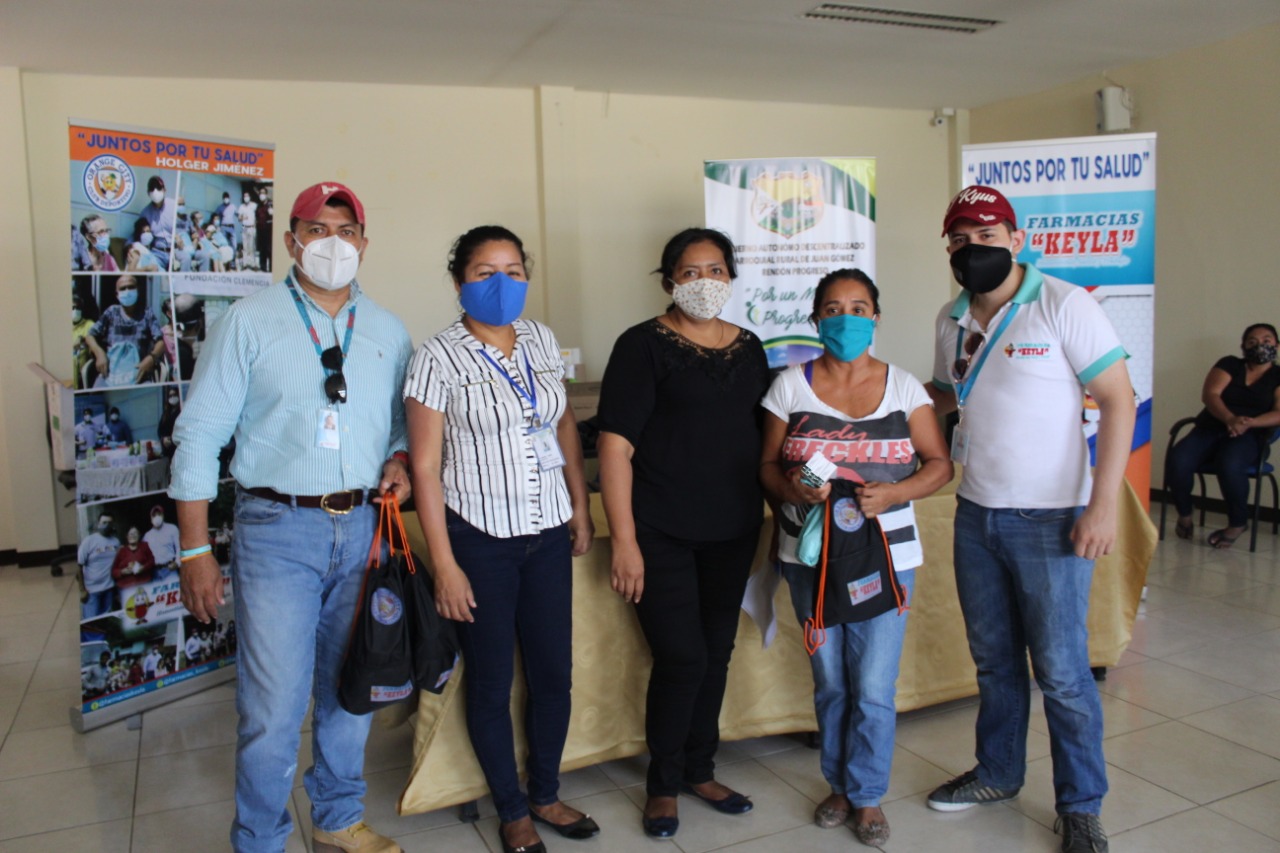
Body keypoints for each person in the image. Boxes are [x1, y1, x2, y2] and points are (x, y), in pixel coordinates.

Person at [170, 181, 413, 853]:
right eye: (317, 229)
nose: (333, 243)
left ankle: (337, 816)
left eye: (346, 231)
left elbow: (399, 427)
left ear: (364, 243)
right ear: (291, 241)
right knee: (272, 706)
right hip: (277, 530)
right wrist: (194, 550)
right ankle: (260, 839)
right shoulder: (248, 322)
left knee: (350, 686)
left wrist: (398, 459)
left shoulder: (389, 330)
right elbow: (199, 436)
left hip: (363, 527)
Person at [923, 186, 1134, 853]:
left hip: (1053, 519)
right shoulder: (951, 317)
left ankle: (1081, 805)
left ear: (1016, 240)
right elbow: (942, 395)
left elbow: (1119, 399)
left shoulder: (1064, 304)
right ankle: (998, 773)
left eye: (987, 235)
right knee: (993, 661)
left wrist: (1102, 504)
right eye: (960, 239)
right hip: (976, 514)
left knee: (1063, 671)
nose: (973, 248)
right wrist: (868, 408)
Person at [404, 225, 596, 853]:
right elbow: (425, 468)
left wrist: (579, 505)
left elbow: (562, 425)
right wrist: (446, 565)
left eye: (513, 271)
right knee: (491, 681)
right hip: (479, 537)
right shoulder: (436, 357)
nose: (502, 284)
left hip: (548, 531)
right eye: (485, 273)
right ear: (459, 281)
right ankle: (511, 810)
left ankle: (545, 792)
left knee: (553, 674)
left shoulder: (540, 338)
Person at [759, 269, 953, 847]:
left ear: (876, 317)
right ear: (816, 319)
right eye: (833, 309)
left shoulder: (905, 389)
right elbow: (766, 466)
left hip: (886, 558)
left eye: (859, 308)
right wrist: (795, 489)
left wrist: (895, 493)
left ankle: (867, 794)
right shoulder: (789, 387)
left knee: (872, 685)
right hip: (811, 559)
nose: (846, 318)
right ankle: (838, 786)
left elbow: (938, 464)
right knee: (831, 681)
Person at [596, 228, 770, 839]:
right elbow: (615, 447)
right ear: (669, 280)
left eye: (715, 270)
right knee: (682, 657)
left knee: (716, 653)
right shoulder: (641, 345)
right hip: (659, 530)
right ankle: (663, 785)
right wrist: (624, 541)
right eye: (690, 272)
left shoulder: (750, 347)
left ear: (731, 276)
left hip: (733, 528)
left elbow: (765, 437)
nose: (704, 282)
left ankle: (701, 770)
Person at [1166, 323, 1280, 548]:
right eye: (1252, 341)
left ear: (1276, 345)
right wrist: (1230, 419)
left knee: (1230, 464)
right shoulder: (1230, 364)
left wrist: (1249, 423)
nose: (1260, 345)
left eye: (1267, 340)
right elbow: (1211, 394)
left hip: (1250, 435)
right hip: (1210, 428)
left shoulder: (1278, 376)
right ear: (1243, 346)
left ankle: (1238, 523)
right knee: (1178, 460)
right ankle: (1185, 513)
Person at [84, 274, 166, 386]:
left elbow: (160, 342)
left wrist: (151, 358)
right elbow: (90, 336)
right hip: (110, 373)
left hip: (139, 373)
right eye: (123, 288)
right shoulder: (111, 312)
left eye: (131, 287)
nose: (127, 291)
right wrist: (99, 353)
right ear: (117, 294)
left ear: (138, 290)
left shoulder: (147, 313)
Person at [78, 513, 120, 619]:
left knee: (105, 621)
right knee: (91, 623)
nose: (107, 525)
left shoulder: (116, 542)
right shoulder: (89, 541)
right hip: (91, 591)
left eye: (109, 523)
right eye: (104, 522)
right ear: (98, 524)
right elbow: (78, 565)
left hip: (109, 589)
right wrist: (82, 590)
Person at [139, 176, 177, 270]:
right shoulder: (145, 213)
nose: (155, 191)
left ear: (164, 190)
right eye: (152, 188)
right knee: (148, 263)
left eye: (158, 188)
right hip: (158, 253)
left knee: (186, 258)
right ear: (148, 193)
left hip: (176, 250)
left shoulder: (174, 205)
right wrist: (129, 246)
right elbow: (137, 233)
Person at [111, 526, 156, 590]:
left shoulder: (145, 546)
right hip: (127, 587)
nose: (133, 535)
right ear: (127, 536)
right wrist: (122, 572)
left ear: (139, 535)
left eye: (135, 533)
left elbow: (152, 561)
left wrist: (143, 568)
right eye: (131, 534)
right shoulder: (122, 551)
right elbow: (114, 571)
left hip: (144, 584)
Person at [144, 504, 182, 582]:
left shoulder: (172, 528)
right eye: (154, 515)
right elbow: (144, 554)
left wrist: (177, 562)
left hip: (170, 569)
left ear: (163, 515)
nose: (157, 517)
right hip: (155, 571)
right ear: (151, 518)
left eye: (159, 514)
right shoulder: (147, 536)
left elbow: (179, 547)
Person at [158, 389, 181, 459]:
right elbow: (160, 429)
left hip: (177, 446)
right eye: (170, 396)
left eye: (174, 395)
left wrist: (172, 439)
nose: (172, 397)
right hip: (167, 448)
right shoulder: (166, 413)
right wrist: (163, 439)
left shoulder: (181, 410)